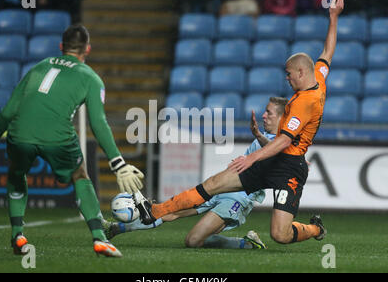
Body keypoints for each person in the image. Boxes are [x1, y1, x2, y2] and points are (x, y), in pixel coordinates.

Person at [142, 0, 345, 246]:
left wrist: (250, 157)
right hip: (272, 159)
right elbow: (328, 51)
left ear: (301, 72)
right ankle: (157, 210)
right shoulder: (318, 76)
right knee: (213, 183)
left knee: (279, 235)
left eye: (289, 74)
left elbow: (283, 141)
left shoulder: (307, 101)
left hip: (290, 167)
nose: (287, 78)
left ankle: (315, 229)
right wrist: (334, 17)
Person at [0, 24, 146, 258]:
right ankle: (99, 238)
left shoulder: (40, 66)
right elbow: (98, 123)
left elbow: (8, 110)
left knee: (16, 173)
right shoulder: (91, 78)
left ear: (61, 47)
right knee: (79, 175)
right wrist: (118, 163)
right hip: (57, 136)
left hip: (19, 132)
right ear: (88, 49)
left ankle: (18, 234)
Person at [104, 97, 288, 250]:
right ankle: (115, 228)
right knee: (169, 212)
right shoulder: (269, 137)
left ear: (282, 117)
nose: (264, 115)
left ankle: (246, 243)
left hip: (238, 198)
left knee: (193, 241)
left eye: (269, 112)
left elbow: (276, 152)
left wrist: (260, 139)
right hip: (222, 188)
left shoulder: (283, 143)